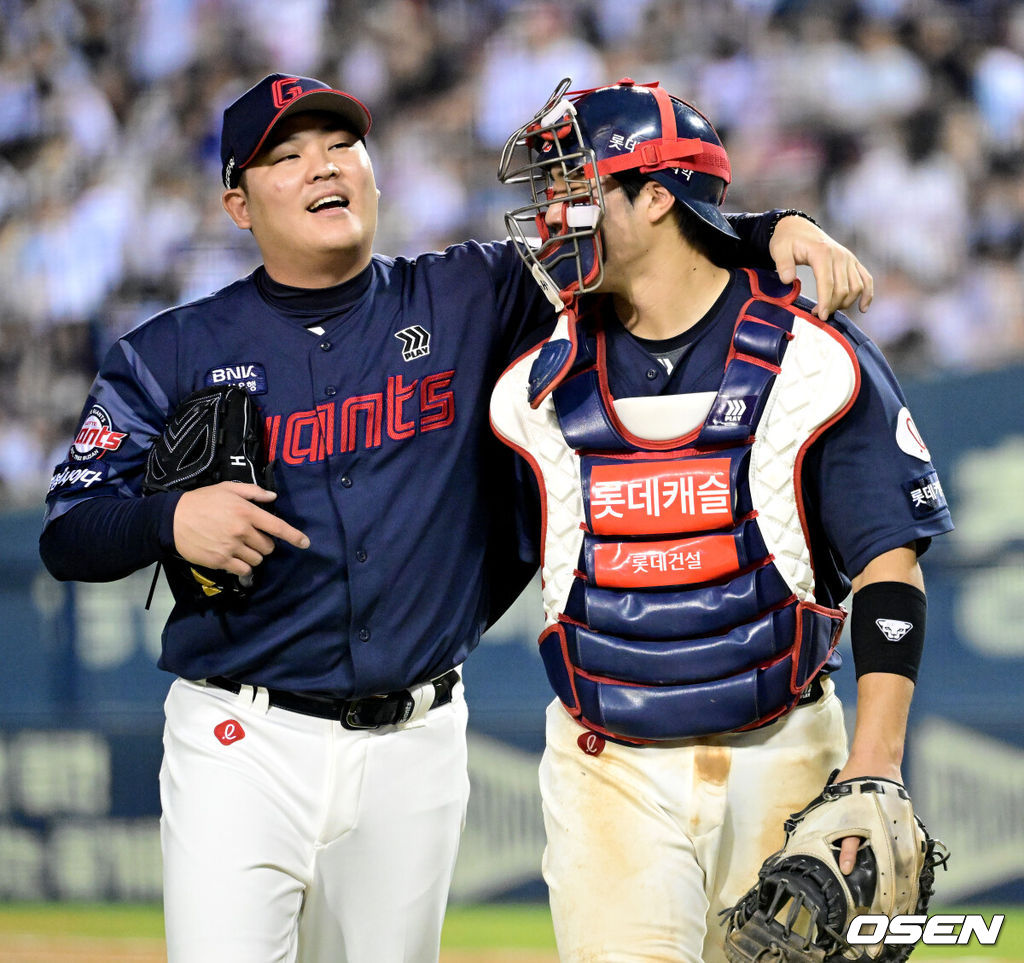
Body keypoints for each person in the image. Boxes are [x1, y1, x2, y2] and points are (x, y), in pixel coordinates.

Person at [39, 73, 873, 963]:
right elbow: (68, 529)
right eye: (288, 156)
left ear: (374, 170)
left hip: (416, 739)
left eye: (341, 146)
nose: (324, 167)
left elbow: (636, 236)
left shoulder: (473, 295)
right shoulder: (170, 352)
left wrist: (769, 226)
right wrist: (167, 520)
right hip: (241, 737)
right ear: (238, 204)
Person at [490, 78, 953, 963]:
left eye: (575, 187)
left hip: (782, 744)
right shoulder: (536, 362)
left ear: (656, 195)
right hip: (605, 758)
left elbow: (892, 565)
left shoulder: (811, 352)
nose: (552, 216)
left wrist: (875, 767)